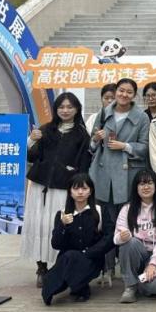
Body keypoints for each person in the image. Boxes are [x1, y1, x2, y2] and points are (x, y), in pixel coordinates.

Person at [23, 92, 92, 286]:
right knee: (39, 226)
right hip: (40, 187)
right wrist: (31, 139)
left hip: (63, 188)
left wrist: (73, 175)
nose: (65, 110)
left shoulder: (81, 134)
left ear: (77, 109)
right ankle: (41, 267)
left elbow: (84, 164)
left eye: (70, 107)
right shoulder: (45, 130)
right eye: (61, 107)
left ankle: (60, 267)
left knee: (58, 227)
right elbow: (30, 156)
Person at [89, 77, 151, 283]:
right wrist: (96, 139)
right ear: (115, 92)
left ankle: (129, 270)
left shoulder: (141, 117)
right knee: (107, 225)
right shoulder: (104, 113)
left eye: (129, 92)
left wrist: (125, 146)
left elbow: (145, 148)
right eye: (121, 90)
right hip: (104, 175)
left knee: (128, 224)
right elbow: (91, 146)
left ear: (134, 95)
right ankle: (107, 269)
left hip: (128, 176)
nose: (124, 95)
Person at [42, 173, 113, 305]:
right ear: (70, 191)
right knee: (68, 259)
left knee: (70, 262)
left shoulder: (99, 211)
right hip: (67, 259)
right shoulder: (62, 214)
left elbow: (109, 238)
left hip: (92, 258)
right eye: (76, 188)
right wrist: (62, 226)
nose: (80, 192)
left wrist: (89, 252)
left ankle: (79, 288)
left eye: (84, 188)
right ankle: (73, 287)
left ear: (90, 191)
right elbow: (56, 244)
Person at [113, 169, 156, 304]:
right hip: (138, 253)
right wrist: (122, 237)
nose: (146, 187)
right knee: (130, 243)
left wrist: (153, 263)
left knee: (154, 287)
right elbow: (116, 238)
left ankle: (142, 282)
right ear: (136, 188)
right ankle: (130, 286)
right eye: (141, 184)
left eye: (149, 183)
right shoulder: (127, 208)